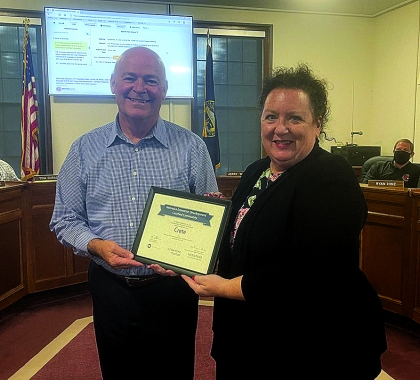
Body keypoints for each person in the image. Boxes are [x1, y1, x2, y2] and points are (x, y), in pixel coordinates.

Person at [180, 64, 388, 378]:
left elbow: (309, 270)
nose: (281, 128)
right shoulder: (256, 171)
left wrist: (223, 288)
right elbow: (245, 238)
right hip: (247, 338)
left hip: (311, 346)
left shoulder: (332, 175)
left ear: (317, 124)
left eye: (295, 117)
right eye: (271, 116)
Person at [49, 46, 218, 379]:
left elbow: (209, 219)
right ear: (113, 83)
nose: (140, 88)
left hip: (172, 291)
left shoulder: (192, 148)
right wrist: (96, 245)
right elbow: (64, 219)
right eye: (130, 78)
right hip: (110, 288)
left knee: (174, 372)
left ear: (165, 90)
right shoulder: (84, 149)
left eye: (151, 80)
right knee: (119, 372)